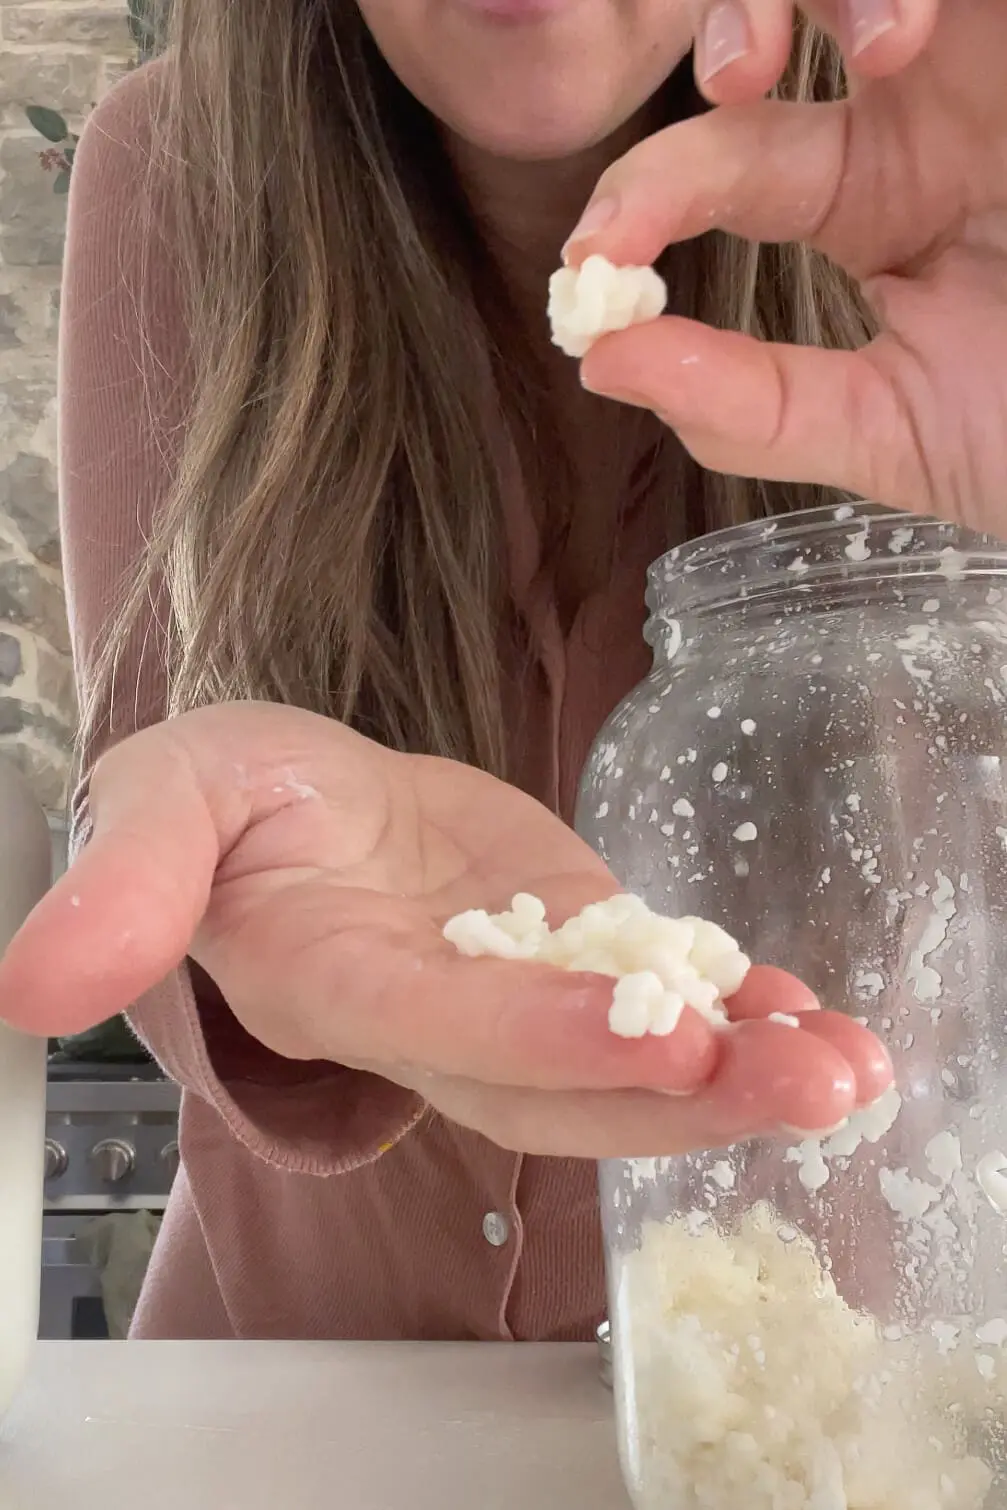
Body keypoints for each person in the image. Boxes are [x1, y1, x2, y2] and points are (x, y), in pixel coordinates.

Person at [0, 0, 1002, 1342]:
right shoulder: (181, 161)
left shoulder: (963, 175)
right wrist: (216, 881)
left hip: (822, 1377)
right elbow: (145, 829)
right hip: (289, 1379)